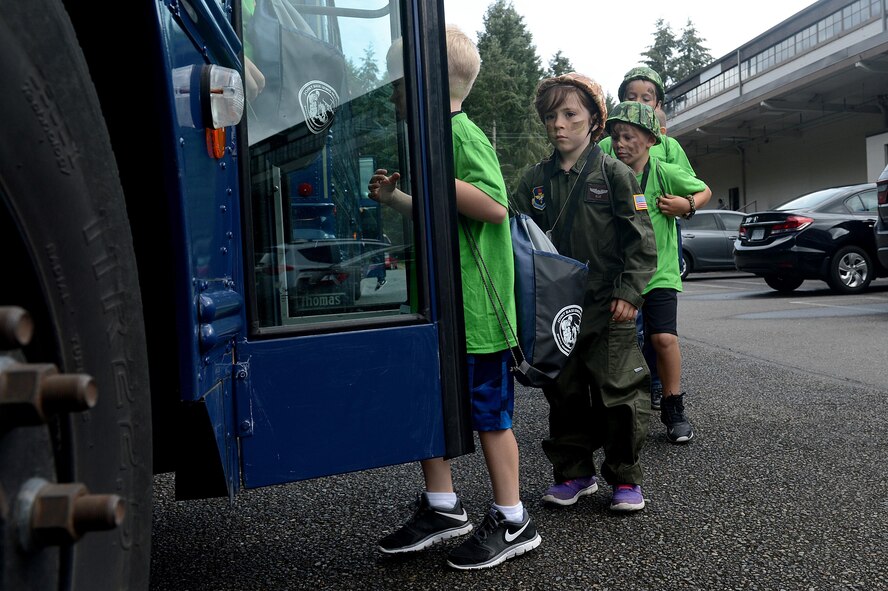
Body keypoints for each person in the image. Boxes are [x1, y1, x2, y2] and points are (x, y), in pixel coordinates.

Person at [369, 25, 540, 570]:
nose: (392, 92)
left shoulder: (460, 136)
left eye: (398, 81)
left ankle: (514, 519)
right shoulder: (431, 138)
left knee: (490, 416)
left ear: (425, 82)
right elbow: (439, 210)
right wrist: (397, 196)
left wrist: (434, 172)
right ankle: (443, 508)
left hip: (479, 315)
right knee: (430, 406)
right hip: (444, 310)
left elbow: (493, 205)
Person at [511, 72, 657, 512]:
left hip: (609, 306)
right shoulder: (534, 180)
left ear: (594, 120)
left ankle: (625, 478)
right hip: (556, 311)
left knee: (620, 393)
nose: (559, 124)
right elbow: (513, 234)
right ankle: (575, 473)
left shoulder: (614, 174)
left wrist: (629, 294)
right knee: (565, 393)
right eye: (551, 115)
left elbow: (641, 241)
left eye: (570, 114)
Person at [605, 101, 712, 444]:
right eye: (616, 137)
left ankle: (673, 406)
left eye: (628, 136)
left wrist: (688, 205)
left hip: (661, 272)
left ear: (651, 139)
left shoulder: (664, 171)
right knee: (622, 343)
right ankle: (620, 408)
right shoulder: (607, 173)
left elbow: (703, 189)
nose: (620, 144)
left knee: (663, 338)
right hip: (622, 275)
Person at [600, 66, 695, 412]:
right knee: (630, 328)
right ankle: (631, 391)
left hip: (661, 242)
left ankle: (661, 389)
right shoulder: (608, 148)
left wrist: (685, 206)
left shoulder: (667, 149)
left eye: (647, 97)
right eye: (631, 96)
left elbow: (695, 189)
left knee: (660, 332)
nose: (639, 101)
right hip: (622, 254)